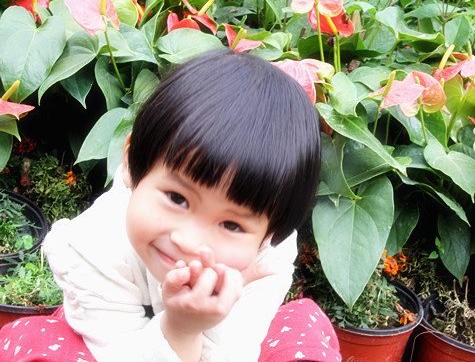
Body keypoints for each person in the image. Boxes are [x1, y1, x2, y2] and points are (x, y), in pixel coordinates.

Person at [0, 49, 338, 362]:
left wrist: (207, 322)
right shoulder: (94, 246)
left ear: (271, 233)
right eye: (177, 198)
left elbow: (233, 352)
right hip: (108, 342)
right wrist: (181, 328)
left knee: (305, 333)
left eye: (232, 225)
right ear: (133, 163)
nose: (190, 241)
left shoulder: (267, 257)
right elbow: (122, 355)